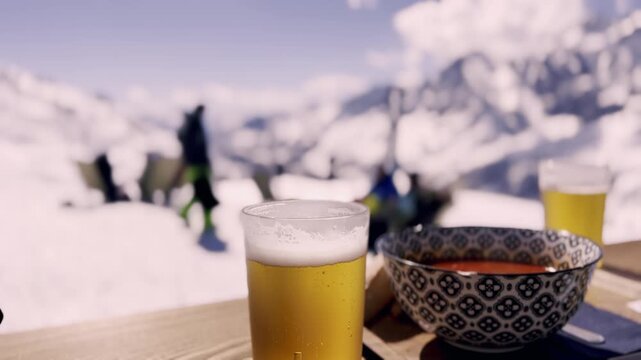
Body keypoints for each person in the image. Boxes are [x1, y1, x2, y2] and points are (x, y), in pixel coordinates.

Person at [177, 105, 219, 232]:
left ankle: (184, 212)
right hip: (200, 166)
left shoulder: (190, 128)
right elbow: (200, 148)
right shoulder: (195, 127)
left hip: (194, 167)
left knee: (199, 194)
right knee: (205, 195)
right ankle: (207, 223)